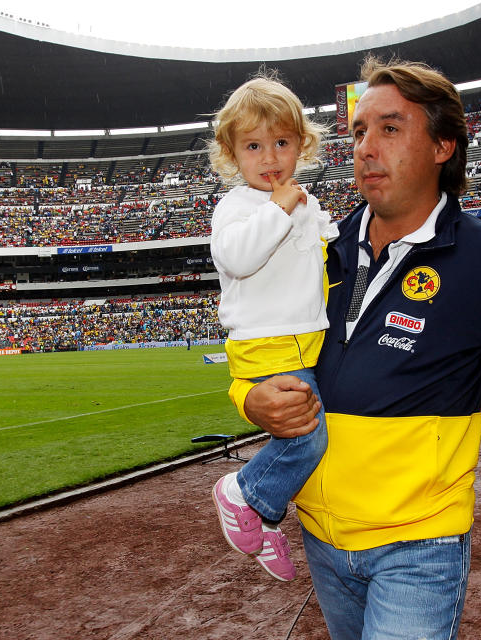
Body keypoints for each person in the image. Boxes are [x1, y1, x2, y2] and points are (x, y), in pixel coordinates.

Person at [231, 58, 481, 639]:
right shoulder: (314, 244)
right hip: (320, 536)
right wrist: (250, 400)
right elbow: (259, 352)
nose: (366, 147)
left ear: (443, 145)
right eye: (360, 131)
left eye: (390, 129)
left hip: (420, 542)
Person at [207, 73, 335, 582]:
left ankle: (264, 518)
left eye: (281, 143)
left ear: (301, 145)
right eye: (254, 146)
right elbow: (238, 258)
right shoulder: (236, 208)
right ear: (232, 154)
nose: (269, 158)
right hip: (266, 343)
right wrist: (279, 209)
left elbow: (329, 254)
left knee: (313, 437)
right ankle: (242, 492)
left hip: (308, 340)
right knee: (307, 438)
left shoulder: (307, 203)